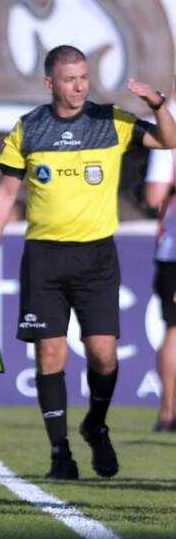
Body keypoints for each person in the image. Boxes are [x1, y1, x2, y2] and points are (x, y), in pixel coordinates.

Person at [0, 44, 176, 480]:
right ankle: (60, 454)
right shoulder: (29, 128)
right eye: (70, 80)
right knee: (50, 354)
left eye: (84, 77)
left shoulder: (110, 121)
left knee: (103, 355)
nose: (80, 86)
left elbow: (169, 140)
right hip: (44, 257)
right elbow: (6, 194)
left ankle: (95, 425)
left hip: (96, 257)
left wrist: (158, 105)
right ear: (50, 83)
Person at [143, 145, 176, 433]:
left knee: (174, 330)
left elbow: (154, 196)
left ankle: (168, 412)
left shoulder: (168, 137)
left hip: (173, 251)